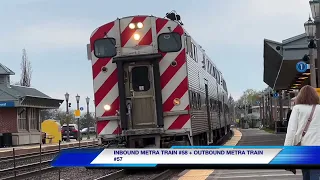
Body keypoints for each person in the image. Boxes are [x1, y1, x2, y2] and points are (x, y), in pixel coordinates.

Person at [284, 85, 320, 180]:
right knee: (315, 174)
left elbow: (291, 132)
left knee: (306, 175)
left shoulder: (297, 109)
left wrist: (286, 151)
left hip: (304, 149)